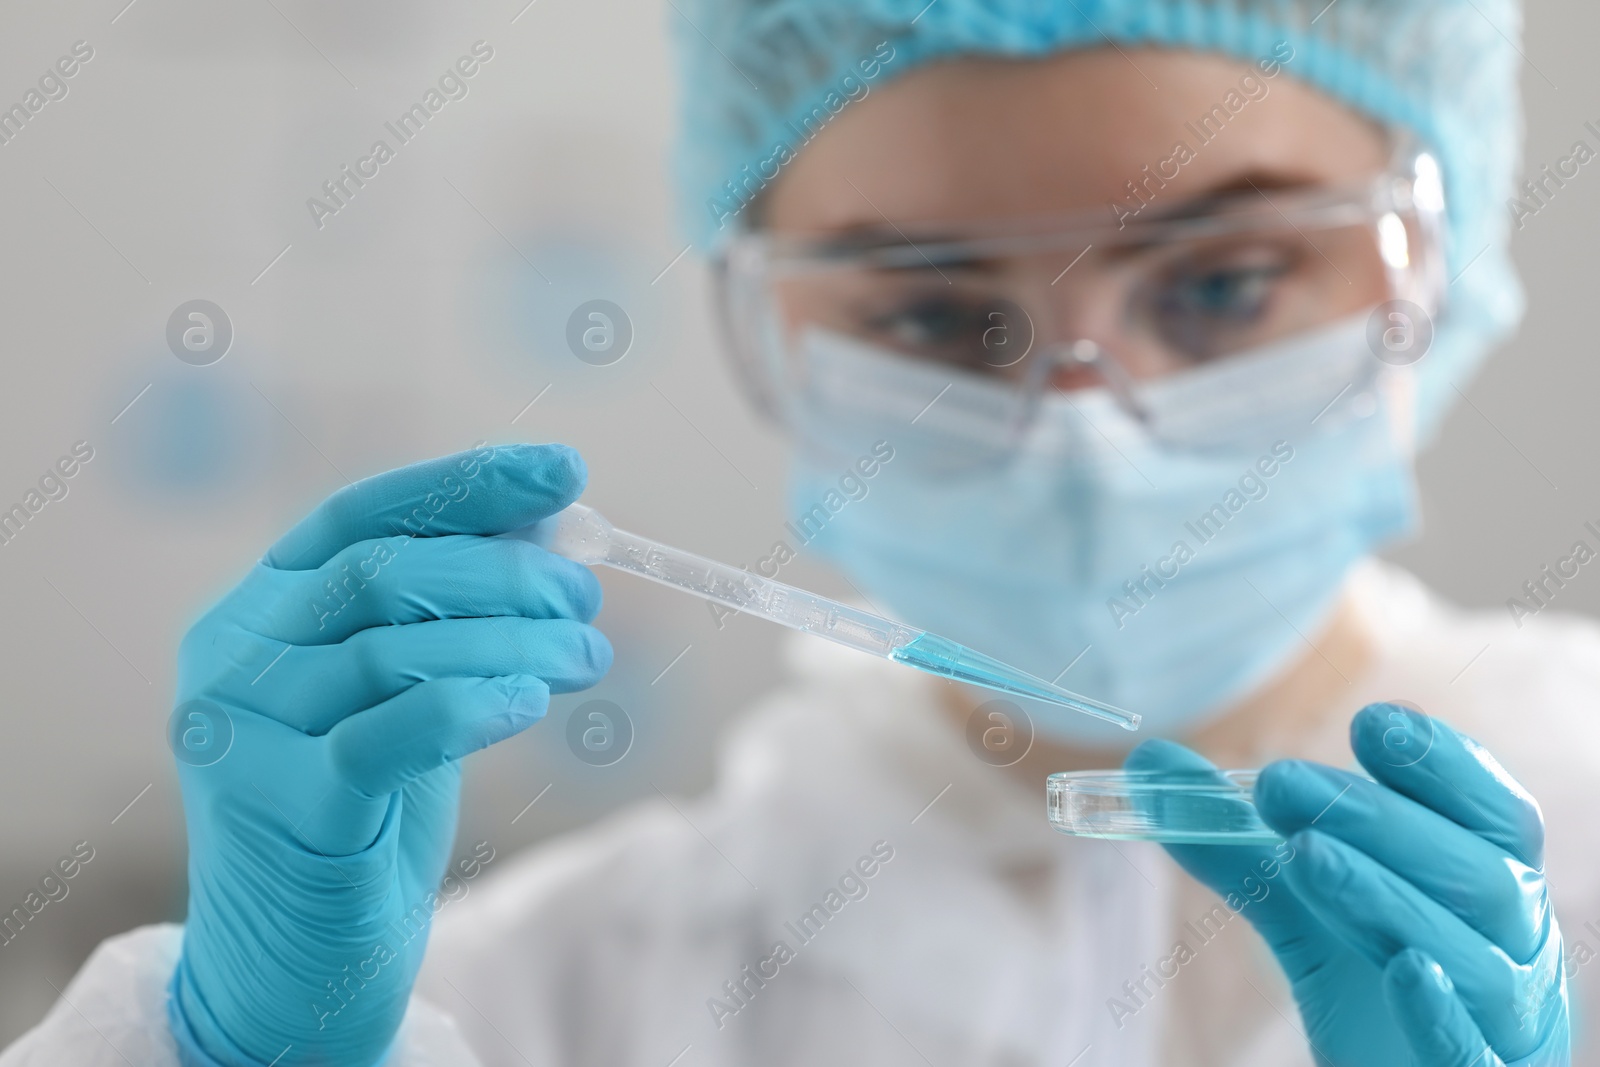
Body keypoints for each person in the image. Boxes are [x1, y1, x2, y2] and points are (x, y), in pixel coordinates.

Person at [3, 0, 1591, 1064]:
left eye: (1224, 282)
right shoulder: (562, 996)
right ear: (773, 336)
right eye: (938, 312)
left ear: (1430, 265)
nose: (1084, 423)